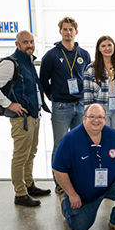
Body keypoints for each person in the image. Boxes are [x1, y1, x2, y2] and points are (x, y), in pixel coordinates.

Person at [0, 31, 51, 207]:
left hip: (33, 116)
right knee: (20, 156)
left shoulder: (28, 61)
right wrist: (9, 104)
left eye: (31, 42)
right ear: (17, 44)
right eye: (25, 42)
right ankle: (20, 194)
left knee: (31, 153)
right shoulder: (10, 64)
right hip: (22, 119)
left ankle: (29, 185)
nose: (29, 45)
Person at [52, 104, 115, 230]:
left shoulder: (113, 135)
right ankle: (66, 203)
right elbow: (58, 169)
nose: (96, 120)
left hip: (109, 185)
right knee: (79, 227)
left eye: (99, 117)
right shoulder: (70, 140)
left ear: (104, 119)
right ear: (84, 118)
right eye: (91, 117)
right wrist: (71, 194)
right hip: (82, 194)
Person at [39, 16, 91, 193]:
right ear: (60, 31)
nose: (68, 32)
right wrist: (53, 97)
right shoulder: (51, 55)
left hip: (80, 106)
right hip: (61, 107)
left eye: (71, 29)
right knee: (60, 145)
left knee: (80, 144)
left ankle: (76, 180)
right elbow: (43, 80)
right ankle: (60, 184)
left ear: (76, 31)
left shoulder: (84, 54)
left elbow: (88, 78)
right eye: (65, 29)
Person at [83, 35, 115, 133]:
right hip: (100, 110)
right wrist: (88, 116)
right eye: (103, 46)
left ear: (114, 47)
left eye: (109, 45)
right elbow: (87, 95)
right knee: (102, 138)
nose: (107, 48)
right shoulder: (91, 68)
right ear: (98, 49)